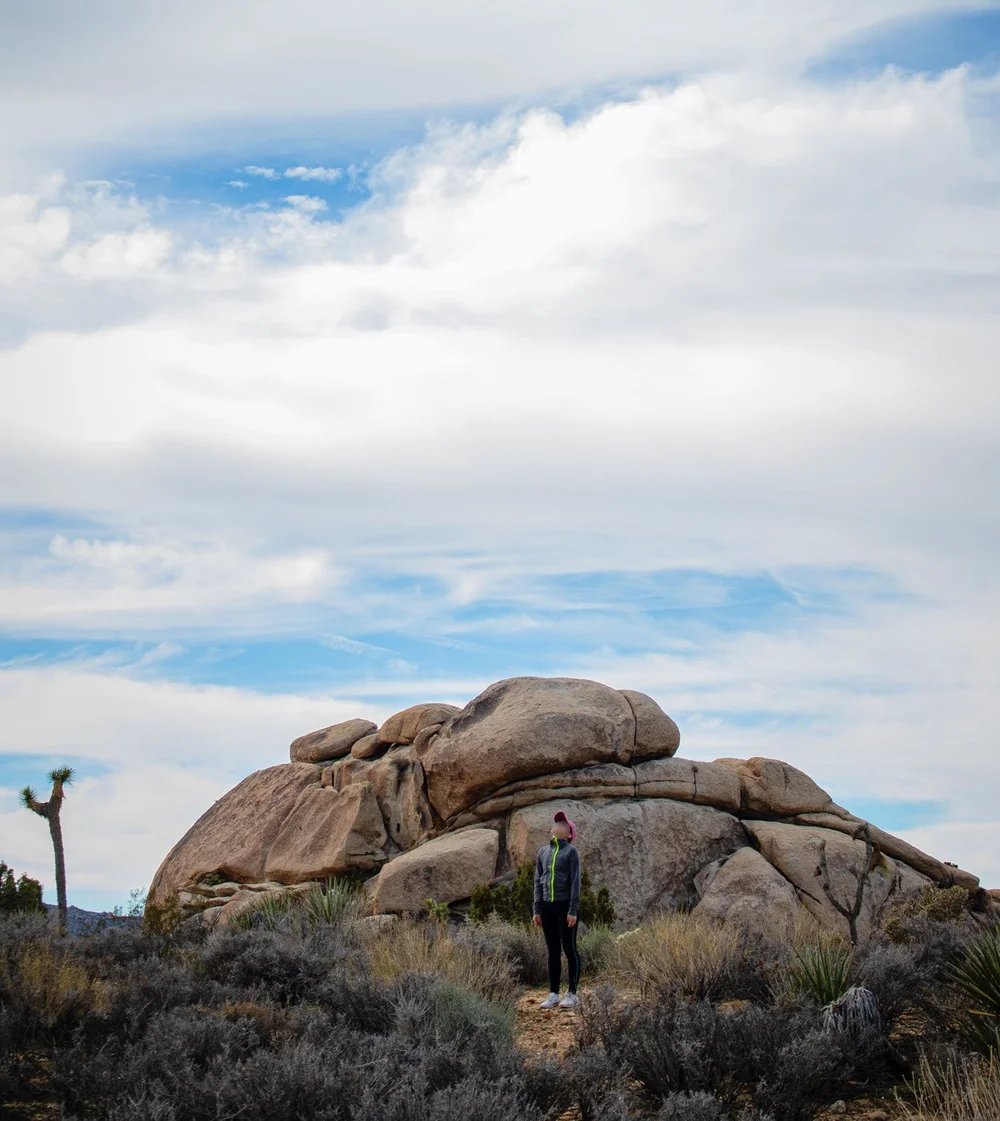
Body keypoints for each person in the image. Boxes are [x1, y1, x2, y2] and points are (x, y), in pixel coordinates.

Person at [532, 809, 582, 1009]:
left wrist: (573, 909)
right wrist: (536, 908)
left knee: (570, 949)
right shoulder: (543, 852)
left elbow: (575, 882)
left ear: (569, 834)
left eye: (564, 824)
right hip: (546, 907)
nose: (559, 826)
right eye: (557, 823)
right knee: (552, 950)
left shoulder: (571, 852)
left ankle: (572, 993)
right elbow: (537, 880)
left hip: (564, 907)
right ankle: (553, 994)